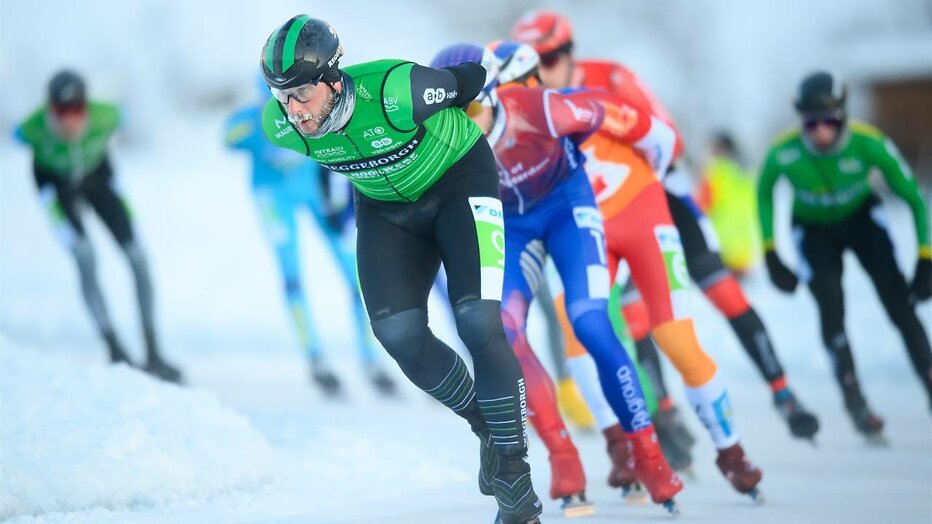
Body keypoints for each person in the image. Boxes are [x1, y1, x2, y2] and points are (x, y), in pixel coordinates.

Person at [258, 16, 542, 523]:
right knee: (398, 333)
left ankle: (516, 482)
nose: (294, 110)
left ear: (333, 76)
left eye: (302, 92)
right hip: (387, 208)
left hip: (458, 178)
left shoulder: (396, 90)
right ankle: (487, 429)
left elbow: (469, 79)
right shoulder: (277, 126)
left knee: (477, 321)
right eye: (282, 96)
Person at [511, 10, 819, 451]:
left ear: (569, 51)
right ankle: (665, 412)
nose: (542, 70)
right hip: (604, 216)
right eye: (531, 63)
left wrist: (640, 182)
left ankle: (784, 393)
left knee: (723, 292)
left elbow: (667, 137)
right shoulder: (535, 106)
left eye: (549, 56)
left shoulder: (613, 76)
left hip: (660, 195)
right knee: (636, 316)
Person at [432, 42, 684, 513]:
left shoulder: (541, 106)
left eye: (467, 109)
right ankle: (562, 455)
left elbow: (622, 117)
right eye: (446, 116)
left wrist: (662, 159)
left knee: (588, 319)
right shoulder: (445, 146)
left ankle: (647, 452)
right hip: (515, 225)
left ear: (491, 95)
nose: (460, 125)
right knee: (502, 330)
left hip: (567, 207)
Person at [758, 71, 932, 439]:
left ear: (842, 117)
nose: (820, 131)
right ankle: (855, 401)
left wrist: (926, 256)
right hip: (813, 231)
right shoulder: (783, 151)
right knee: (831, 306)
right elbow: (763, 192)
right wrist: (771, 253)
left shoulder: (870, 144)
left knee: (899, 304)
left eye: (829, 122)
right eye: (811, 123)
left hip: (861, 220)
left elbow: (915, 200)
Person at [224, 76, 396, 396]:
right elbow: (227, 138)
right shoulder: (257, 117)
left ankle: (371, 358)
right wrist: (253, 122)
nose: (291, 112)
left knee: (355, 272)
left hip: (315, 194)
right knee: (292, 275)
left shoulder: (315, 109)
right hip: (273, 198)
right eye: (280, 103)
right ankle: (315, 357)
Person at [14, 70, 182, 383]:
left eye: (77, 109)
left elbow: (129, 118)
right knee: (85, 256)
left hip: (98, 178)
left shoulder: (106, 117)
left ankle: (153, 352)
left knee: (137, 257)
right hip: (54, 186)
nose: (70, 120)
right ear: (50, 111)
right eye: (61, 112)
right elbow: (16, 135)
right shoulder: (32, 128)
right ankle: (115, 348)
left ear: (87, 108)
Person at [696, 132, 762, 276]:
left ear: (723, 149)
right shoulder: (749, 173)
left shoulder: (716, 171)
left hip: (720, 247)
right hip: (744, 249)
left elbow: (700, 206)